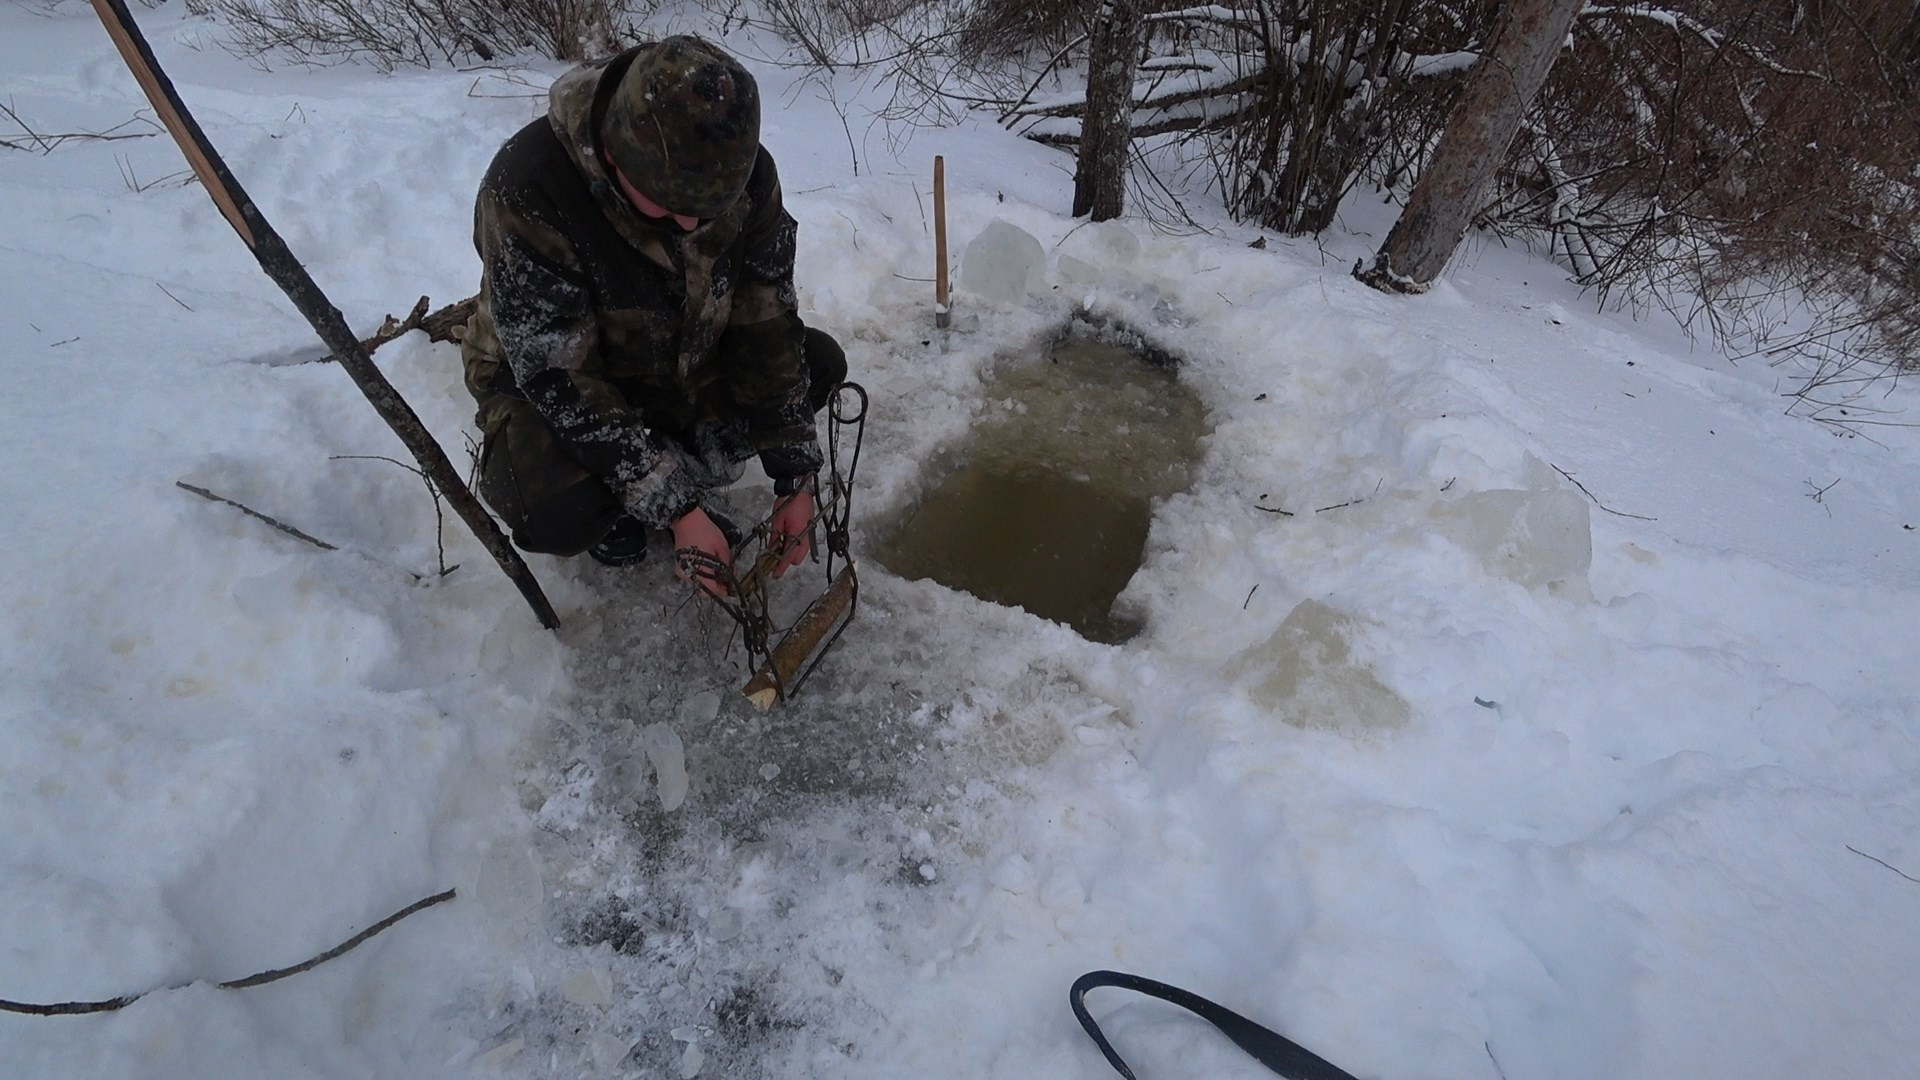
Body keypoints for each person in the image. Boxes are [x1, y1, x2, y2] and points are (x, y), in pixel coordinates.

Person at [460, 35, 845, 594]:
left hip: (679, 351)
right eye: (670, 208)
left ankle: (664, 457)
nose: (690, 227)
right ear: (615, 158)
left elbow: (765, 321)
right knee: (551, 504)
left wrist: (796, 474)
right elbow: (559, 376)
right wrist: (677, 510)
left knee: (819, 363)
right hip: (546, 375)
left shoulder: (737, 169)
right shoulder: (529, 189)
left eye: (707, 211)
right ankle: (616, 512)